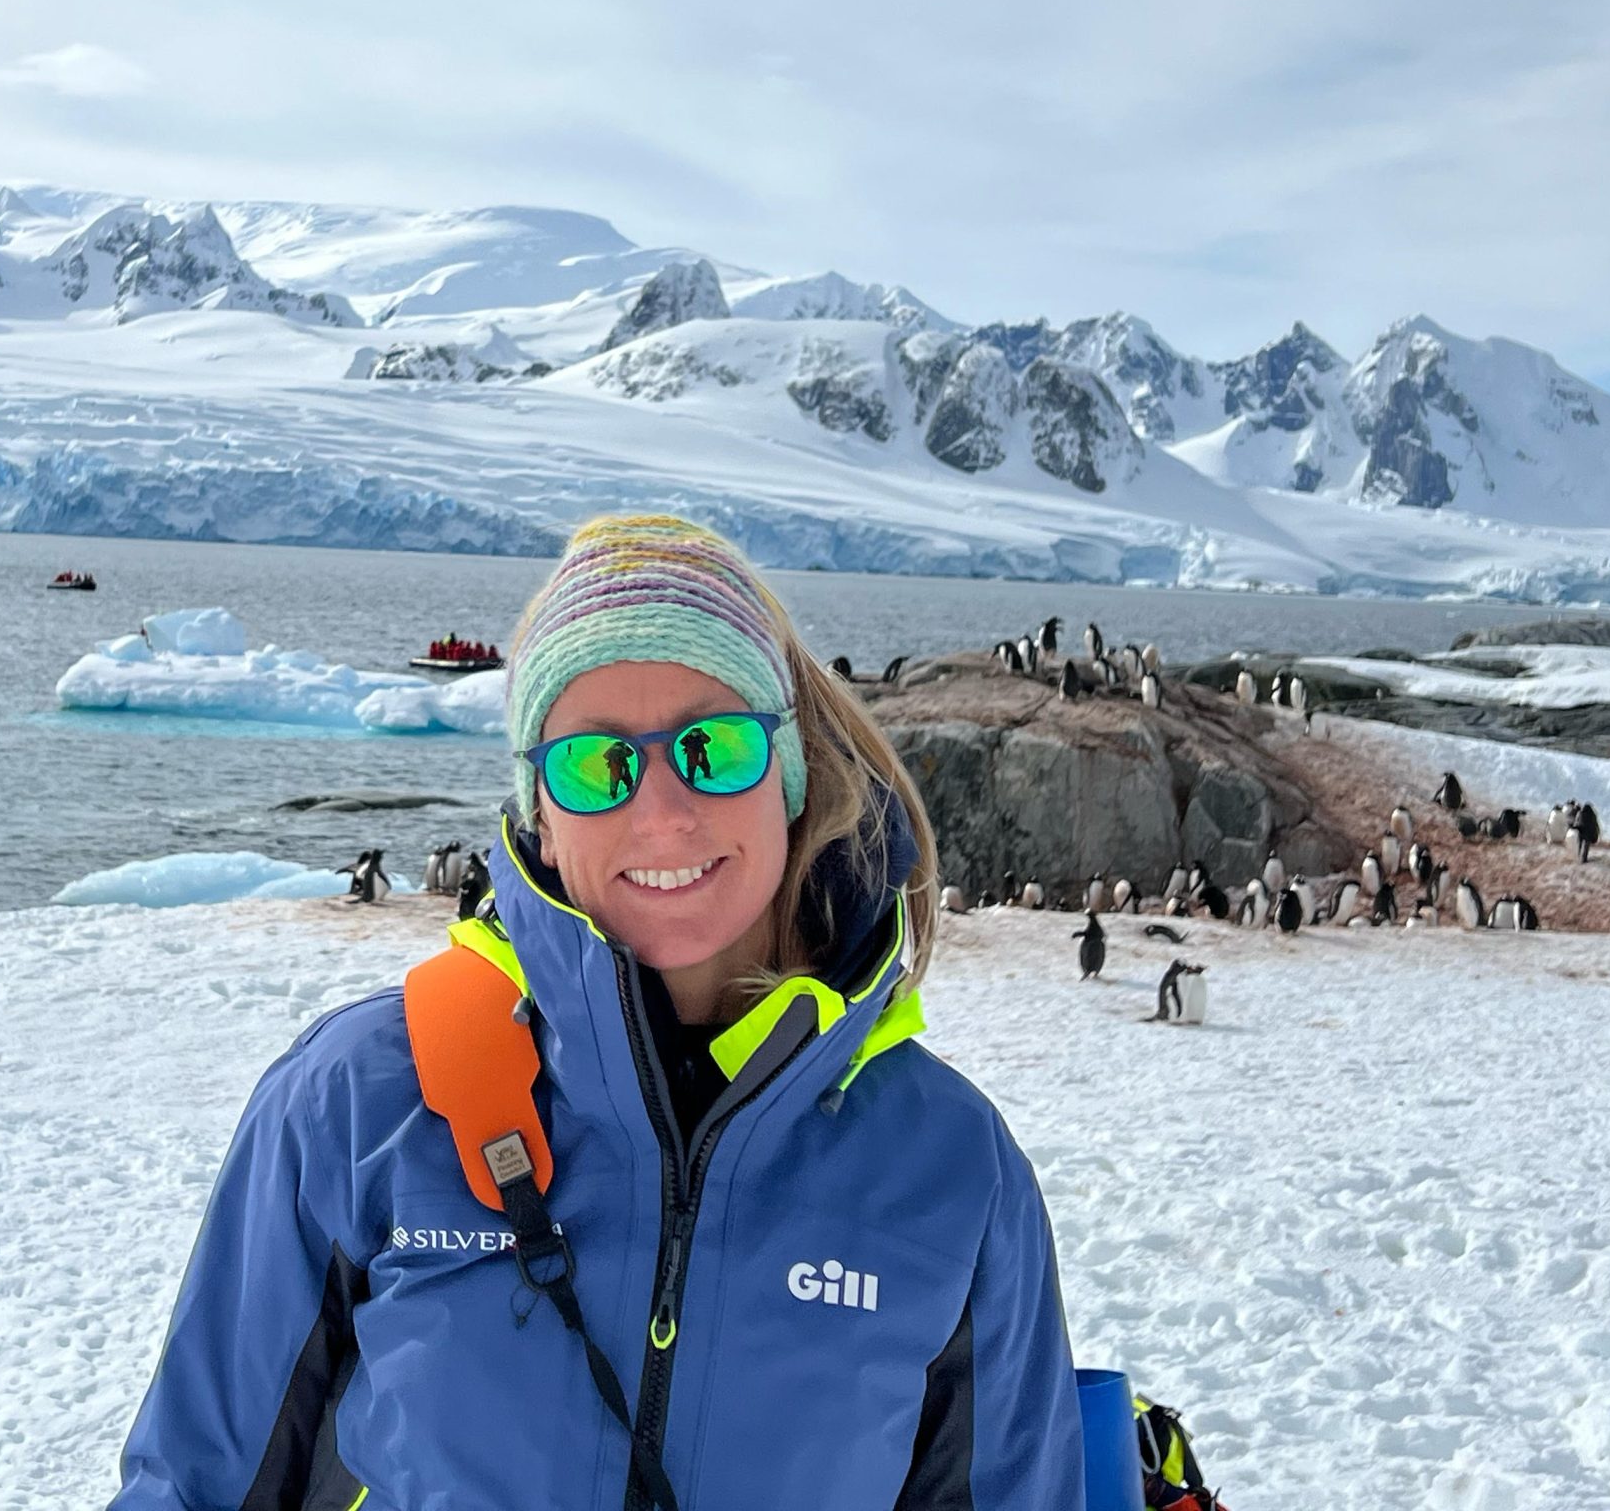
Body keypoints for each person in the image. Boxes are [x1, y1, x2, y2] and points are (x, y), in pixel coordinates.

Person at [110, 514, 1081, 1509]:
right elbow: (193, 1488)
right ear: (540, 810)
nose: (661, 813)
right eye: (593, 764)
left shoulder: (951, 1169)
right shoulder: (360, 1100)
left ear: (787, 777)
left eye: (713, 748)